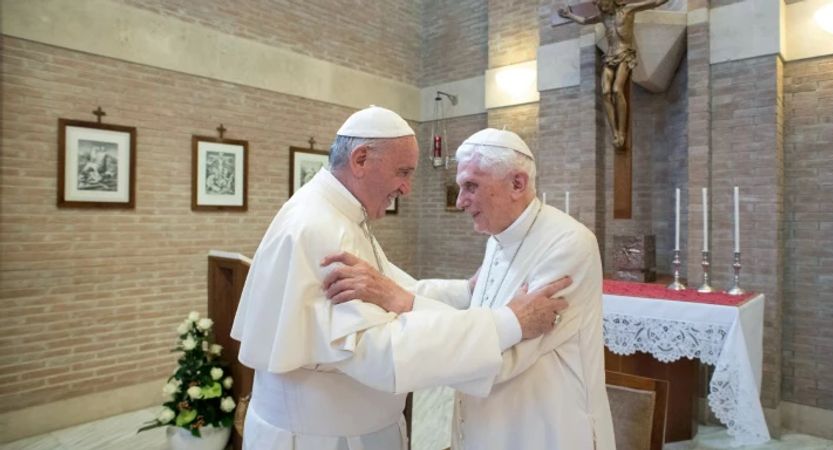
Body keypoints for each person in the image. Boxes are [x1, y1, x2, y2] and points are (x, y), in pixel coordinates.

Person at [230, 107, 570, 450]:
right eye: (403, 172)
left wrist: (466, 292)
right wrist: (509, 323)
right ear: (361, 159)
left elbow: (391, 290)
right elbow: (382, 352)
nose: (407, 188)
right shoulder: (321, 228)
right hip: (322, 438)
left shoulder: (338, 215)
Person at [324, 128, 615, 449]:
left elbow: (502, 358)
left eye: (471, 187)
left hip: (544, 428)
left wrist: (402, 301)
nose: (461, 201)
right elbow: (485, 318)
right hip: (487, 426)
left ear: (517, 184)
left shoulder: (567, 243)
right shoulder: (498, 237)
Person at [559, 0, 669, 150]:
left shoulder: (628, 10)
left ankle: (622, 132)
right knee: (605, 93)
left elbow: (654, 3)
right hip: (609, 57)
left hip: (625, 55)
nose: (600, 7)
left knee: (617, 90)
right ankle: (615, 133)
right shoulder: (603, 16)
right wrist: (569, 15)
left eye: (601, 3)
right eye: (598, 5)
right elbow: (585, 20)